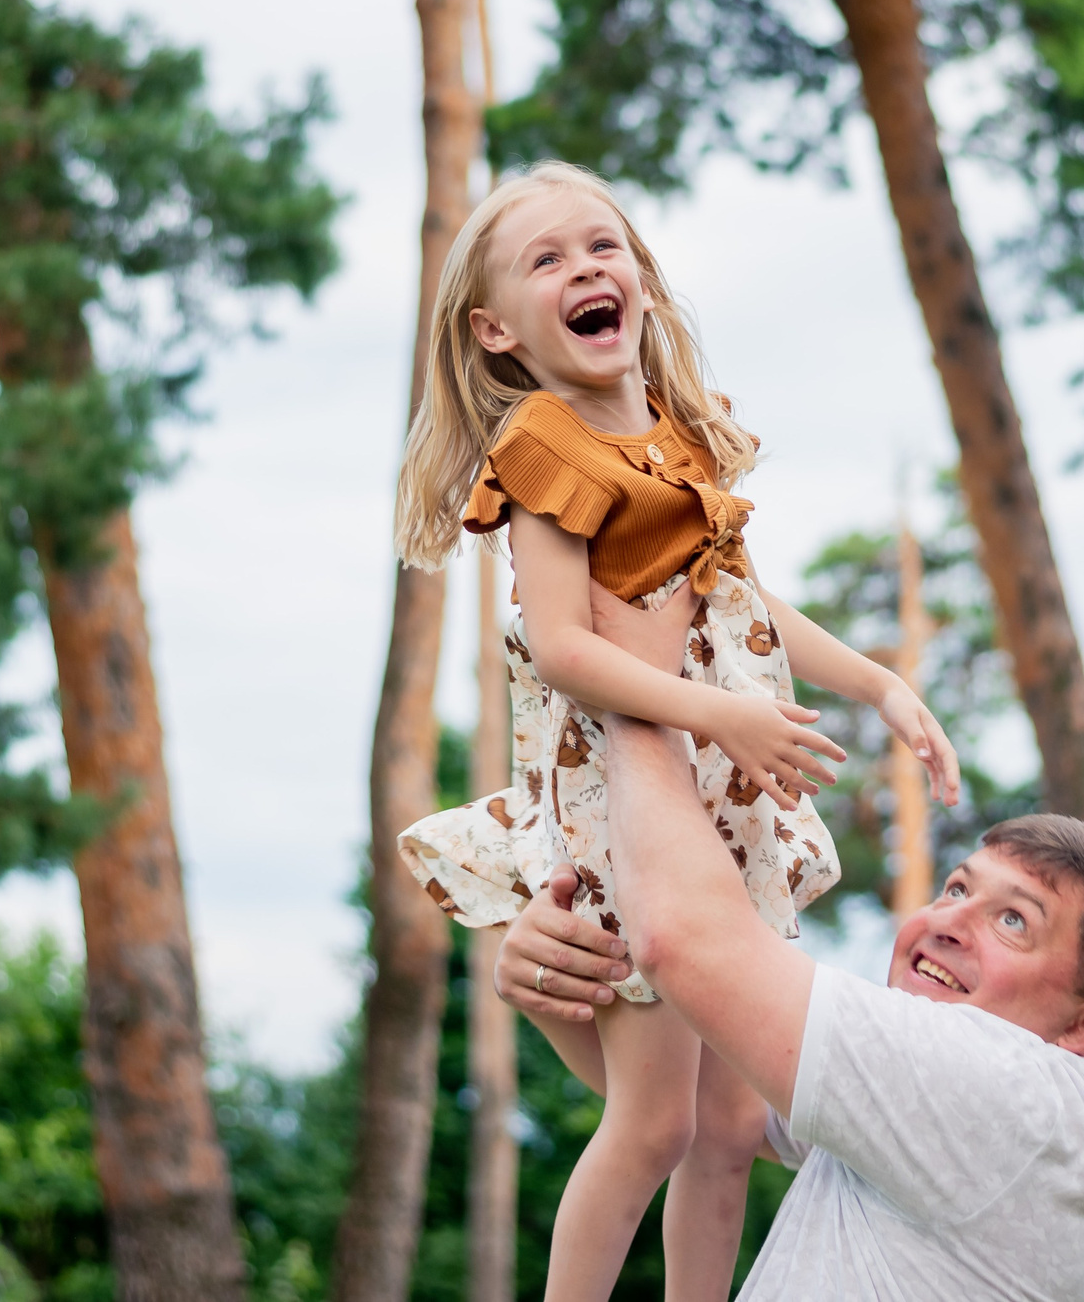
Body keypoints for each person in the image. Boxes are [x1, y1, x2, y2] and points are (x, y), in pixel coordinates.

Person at [391, 162, 962, 1302]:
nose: (585, 269)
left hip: (711, 799)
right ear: (497, 330)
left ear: (640, 283)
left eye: (601, 247)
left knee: (731, 1119)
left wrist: (879, 683)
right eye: (546, 260)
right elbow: (561, 647)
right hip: (626, 814)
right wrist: (723, 712)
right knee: (652, 1123)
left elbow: (742, 601)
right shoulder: (542, 447)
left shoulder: (672, 437)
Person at [497, 586, 1084, 1301]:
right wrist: (555, 981)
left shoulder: (1012, 1097)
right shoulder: (927, 1116)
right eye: (956, 887)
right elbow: (707, 1108)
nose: (950, 919)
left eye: (1014, 920)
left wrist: (634, 676)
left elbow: (682, 940)